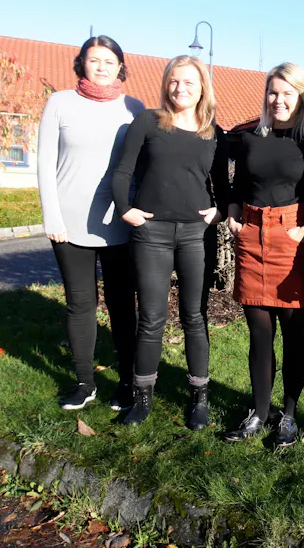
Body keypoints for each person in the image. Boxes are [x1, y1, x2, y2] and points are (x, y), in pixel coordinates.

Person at [112, 55, 228, 429]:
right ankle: (142, 397)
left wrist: (218, 211)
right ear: (166, 85)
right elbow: (122, 171)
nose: (181, 89)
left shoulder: (214, 133)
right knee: (152, 319)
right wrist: (125, 210)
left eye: (189, 83)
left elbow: (223, 188)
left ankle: (199, 398)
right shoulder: (148, 122)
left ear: (202, 89)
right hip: (152, 235)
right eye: (175, 82)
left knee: (195, 317)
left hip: (196, 236)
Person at [37, 35, 145, 411]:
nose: (101, 66)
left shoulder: (134, 107)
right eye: (93, 60)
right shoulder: (60, 103)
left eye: (108, 60)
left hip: (120, 223)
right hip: (69, 224)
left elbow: (142, 166)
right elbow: (45, 165)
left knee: (121, 305)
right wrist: (52, 216)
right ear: (81, 63)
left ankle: (129, 382)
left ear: (120, 66)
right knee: (80, 304)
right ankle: (85, 382)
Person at [223, 63, 304, 447]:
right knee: (259, 331)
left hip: (294, 238)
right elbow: (238, 183)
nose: (279, 100)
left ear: (303, 97)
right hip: (252, 237)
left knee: (293, 331)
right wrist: (233, 213)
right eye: (273, 93)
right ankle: (259, 412)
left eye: (288, 93)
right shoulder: (250, 138)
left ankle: (289, 414)